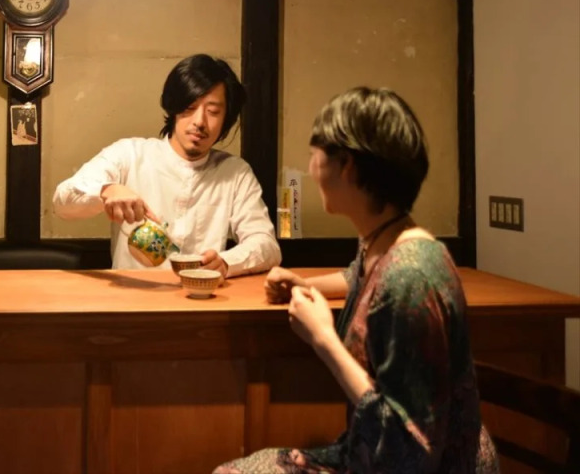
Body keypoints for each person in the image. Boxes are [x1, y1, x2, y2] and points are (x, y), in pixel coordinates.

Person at [213, 87, 498, 473]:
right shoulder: (386, 239)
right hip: (376, 451)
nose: (311, 168)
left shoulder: (413, 275)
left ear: (346, 165)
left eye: (316, 155)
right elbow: (359, 276)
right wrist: (305, 285)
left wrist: (323, 339)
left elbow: (410, 453)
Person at [52, 54, 281, 277]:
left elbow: (266, 245)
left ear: (226, 120)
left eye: (213, 112)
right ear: (173, 107)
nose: (200, 121)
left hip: (201, 297)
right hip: (132, 296)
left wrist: (226, 262)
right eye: (190, 107)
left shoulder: (235, 173)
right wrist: (106, 191)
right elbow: (62, 202)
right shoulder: (129, 155)